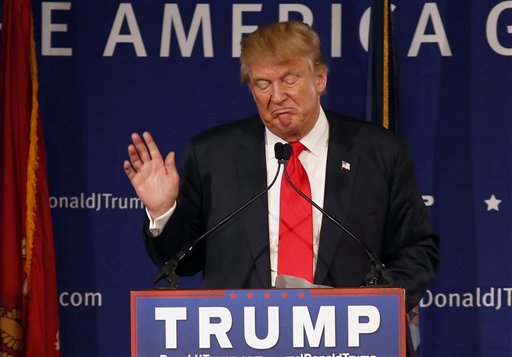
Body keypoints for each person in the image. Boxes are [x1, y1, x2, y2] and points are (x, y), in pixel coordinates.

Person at [124, 21, 439, 313]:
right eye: (263, 84)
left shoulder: (379, 152)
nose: (277, 96)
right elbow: (182, 262)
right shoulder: (212, 155)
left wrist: (370, 307)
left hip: (350, 338)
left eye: (290, 79)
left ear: (320, 78)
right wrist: (164, 211)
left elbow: (416, 250)